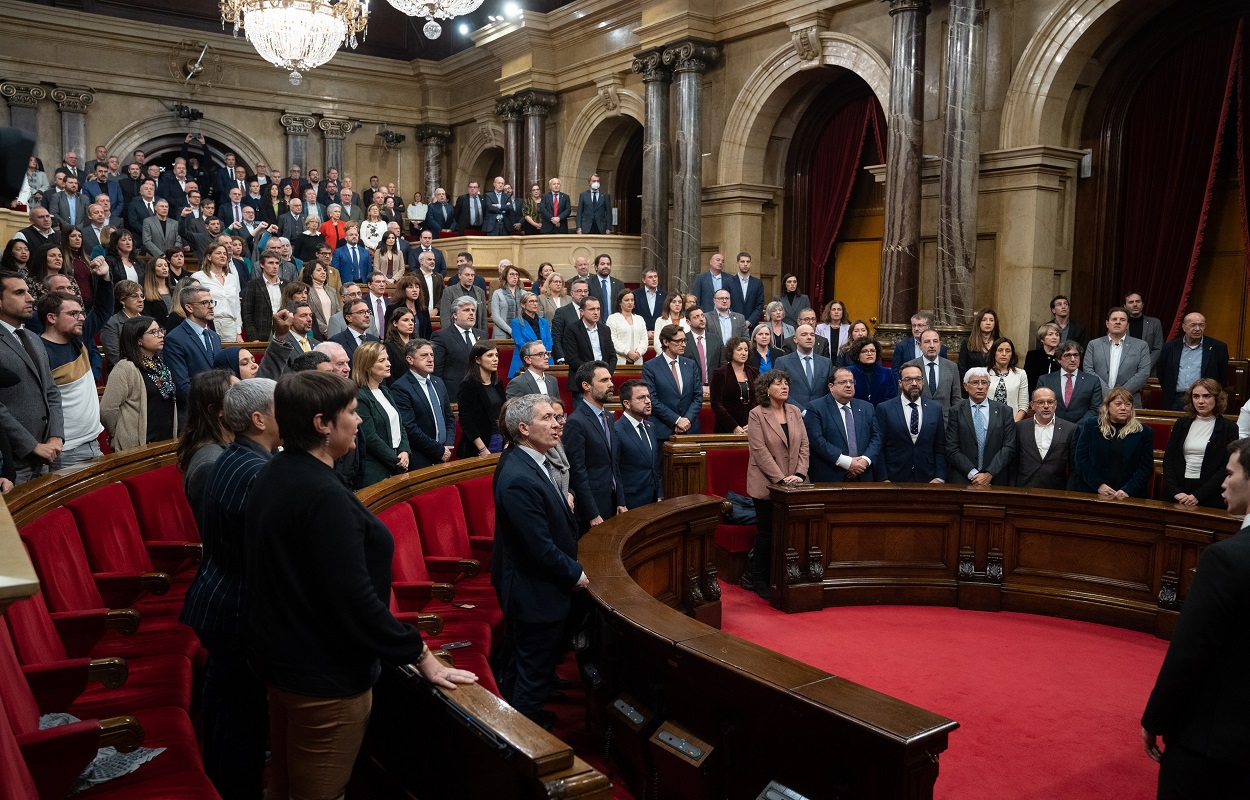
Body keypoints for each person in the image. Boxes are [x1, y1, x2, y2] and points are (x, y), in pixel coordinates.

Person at [247, 370, 476, 800]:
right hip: (324, 678)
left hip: (282, 662)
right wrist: (421, 656)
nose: (358, 421)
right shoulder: (323, 496)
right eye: (351, 413)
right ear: (322, 424)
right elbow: (353, 600)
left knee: (284, 788)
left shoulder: (276, 471)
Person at [178, 377, 278, 800]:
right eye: (280, 407)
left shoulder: (231, 456)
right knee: (242, 719)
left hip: (221, 600)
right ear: (257, 419)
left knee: (228, 705)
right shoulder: (224, 464)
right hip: (232, 605)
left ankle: (222, 779)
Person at [1141, 438, 1250, 800]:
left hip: (1216, 743)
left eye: (1231, 473)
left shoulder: (1226, 559)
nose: (1223, 482)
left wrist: (1155, 719)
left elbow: (1191, 651)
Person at [492, 394, 586, 726]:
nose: (557, 423)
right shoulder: (519, 476)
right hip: (533, 593)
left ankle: (524, 719)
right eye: (546, 418)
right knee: (531, 672)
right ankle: (528, 739)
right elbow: (538, 547)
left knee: (524, 666)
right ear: (524, 428)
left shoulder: (530, 461)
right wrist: (575, 574)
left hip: (534, 589)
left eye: (556, 417)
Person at [745, 369, 809, 599]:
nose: (784, 387)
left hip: (795, 482)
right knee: (767, 532)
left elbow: (804, 445)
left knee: (792, 533)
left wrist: (800, 474)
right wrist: (780, 480)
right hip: (767, 483)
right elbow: (759, 451)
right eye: (779, 384)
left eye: (786, 383)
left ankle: (784, 575)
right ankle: (760, 578)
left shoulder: (794, 411)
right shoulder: (757, 414)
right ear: (766, 389)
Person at [36, 282, 113, 469]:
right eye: (73, 314)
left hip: (93, 440)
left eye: (81, 313)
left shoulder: (78, 338)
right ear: (51, 317)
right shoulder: (38, 353)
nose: (81, 319)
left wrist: (103, 277)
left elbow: (103, 309)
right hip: (66, 450)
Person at [0, 270, 64, 484]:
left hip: (48, 455)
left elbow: (52, 391)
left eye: (28, 291)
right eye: (19, 293)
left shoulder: (33, 338)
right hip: (12, 461)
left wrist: (56, 434)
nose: (31, 298)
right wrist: (32, 445)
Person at [101, 315, 178, 450]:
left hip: (165, 439)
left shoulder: (160, 365)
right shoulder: (125, 368)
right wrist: (120, 434)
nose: (160, 335)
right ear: (138, 340)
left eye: (160, 330)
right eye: (153, 332)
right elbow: (107, 410)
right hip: (137, 445)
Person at [564, 361, 624, 533]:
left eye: (610, 380)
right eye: (604, 380)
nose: (611, 385)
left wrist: (620, 501)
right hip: (591, 510)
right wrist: (592, 513)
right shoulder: (576, 422)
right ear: (586, 386)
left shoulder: (608, 417)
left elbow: (614, 464)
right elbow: (577, 472)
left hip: (611, 502)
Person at [1162, 378, 1239, 508]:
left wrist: (1198, 495)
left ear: (1217, 398)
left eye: (1206, 396)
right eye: (1196, 396)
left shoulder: (1229, 428)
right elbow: (1168, 459)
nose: (1200, 401)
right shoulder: (1181, 424)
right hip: (1179, 494)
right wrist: (1176, 491)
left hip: (1210, 496)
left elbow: (1225, 466)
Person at [1069, 387, 1155, 499]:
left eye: (1128, 404)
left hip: (1130, 495)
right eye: (1118, 404)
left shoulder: (1144, 432)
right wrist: (1098, 485)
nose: (1123, 408)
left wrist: (1128, 490)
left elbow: (1146, 467)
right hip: (1093, 491)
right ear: (1107, 406)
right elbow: (1081, 459)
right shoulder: (1092, 426)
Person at [177, 369, 235, 522]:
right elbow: (217, 532)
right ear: (217, 410)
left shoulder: (233, 446)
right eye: (238, 395)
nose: (247, 400)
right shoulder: (209, 464)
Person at [805, 367, 880, 483]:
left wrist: (864, 461)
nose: (849, 385)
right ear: (831, 387)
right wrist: (846, 462)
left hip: (863, 475)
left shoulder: (867, 407)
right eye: (843, 382)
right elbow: (816, 440)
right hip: (831, 476)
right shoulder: (815, 407)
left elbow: (876, 437)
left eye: (851, 382)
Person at [873, 365, 947, 483]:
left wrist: (940, 477)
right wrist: (883, 478)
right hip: (894, 476)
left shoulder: (935, 408)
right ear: (900, 383)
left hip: (928, 477)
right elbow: (879, 447)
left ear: (923, 382)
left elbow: (940, 446)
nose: (914, 383)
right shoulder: (884, 408)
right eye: (908, 379)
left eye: (918, 379)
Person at [945, 367, 1018, 486]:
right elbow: (952, 448)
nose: (980, 387)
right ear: (965, 386)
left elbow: (1009, 447)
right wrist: (973, 474)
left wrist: (989, 473)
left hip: (996, 477)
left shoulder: (1004, 411)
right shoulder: (956, 411)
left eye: (984, 382)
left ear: (988, 385)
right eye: (975, 382)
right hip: (963, 477)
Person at [351, 341, 411, 486]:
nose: (388, 364)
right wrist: (396, 459)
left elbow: (400, 425)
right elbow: (370, 438)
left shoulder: (385, 391)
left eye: (388, 359)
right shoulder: (360, 396)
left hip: (397, 462)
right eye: (382, 360)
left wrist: (405, 451)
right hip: (377, 470)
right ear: (367, 365)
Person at [391, 339, 456, 470]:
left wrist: (447, 445)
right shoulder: (400, 387)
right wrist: (438, 450)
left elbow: (449, 418)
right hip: (421, 457)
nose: (430, 359)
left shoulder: (438, 382)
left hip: (445, 453)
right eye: (424, 355)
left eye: (432, 355)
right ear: (410, 359)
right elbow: (410, 428)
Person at [1156, 313, 1230, 412]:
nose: (1197, 329)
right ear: (1184, 327)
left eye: (1201, 325)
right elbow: (1162, 374)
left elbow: (1223, 376)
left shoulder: (1218, 348)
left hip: (1205, 399)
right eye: (1193, 325)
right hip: (1176, 398)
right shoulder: (1169, 347)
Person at [642, 324, 702, 444]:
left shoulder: (690, 365)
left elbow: (697, 397)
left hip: (690, 430)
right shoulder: (650, 367)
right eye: (679, 341)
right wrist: (676, 420)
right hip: (664, 431)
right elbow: (652, 399)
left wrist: (686, 420)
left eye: (685, 340)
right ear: (666, 342)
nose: (684, 344)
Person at [1083, 306, 1153, 408]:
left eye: (1122, 320)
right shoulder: (1094, 345)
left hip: (1129, 401)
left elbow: (1144, 373)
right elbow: (1088, 370)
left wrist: (1120, 394)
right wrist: (1108, 394)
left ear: (1128, 325)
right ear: (1107, 323)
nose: (1118, 322)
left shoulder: (1141, 346)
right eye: (1114, 319)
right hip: (1099, 401)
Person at [1013, 387, 1077, 490]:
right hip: (1024, 489)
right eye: (1040, 402)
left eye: (1050, 402)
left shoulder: (1070, 429)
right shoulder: (1020, 427)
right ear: (1032, 405)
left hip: (1056, 491)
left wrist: (1068, 493)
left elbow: (1074, 468)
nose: (1046, 406)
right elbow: (1013, 463)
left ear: (1055, 404)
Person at [614, 379, 662, 509]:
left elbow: (654, 466)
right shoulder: (616, 430)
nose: (648, 401)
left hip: (652, 499)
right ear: (627, 404)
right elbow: (615, 471)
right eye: (641, 398)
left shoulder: (650, 426)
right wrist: (620, 502)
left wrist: (659, 494)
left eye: (648, 396)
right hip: (630, 502)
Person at [456, 341, 507, 459]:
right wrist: (483, 449)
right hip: (480, 445)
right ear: (478, 360)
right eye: (490, 355)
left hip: (500, 440)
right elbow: (465, 421)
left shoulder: (498, 383)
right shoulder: (468, 385)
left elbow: (504, 414)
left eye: (496, 355)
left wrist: (507, 440)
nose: (495, 359)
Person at [430, 296, 484, 403]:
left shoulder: (482, 335)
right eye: (466, 310)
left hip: (481, 393)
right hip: (455, 394)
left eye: (473, 310)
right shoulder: (441, 336)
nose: (471, 313)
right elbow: (436, 371)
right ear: (455, 315)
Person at [1038, 340, 1102, 423]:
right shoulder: (1045, 380)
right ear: (1059, 359)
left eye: (1076, 355)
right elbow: (1040, 406)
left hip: (1081, 430)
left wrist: (1076, 428)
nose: (1073, 359)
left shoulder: (1092, 381)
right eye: (1068, 356)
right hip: (1052, 429)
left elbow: (1095, 409)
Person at [562, 295, 617, 391]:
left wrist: (605, 374)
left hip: (603, 384)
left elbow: (612, 357)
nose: (596, 313)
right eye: (592, 309)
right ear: (582, 312)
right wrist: (593, 374)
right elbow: (573, 359)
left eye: (598, 309)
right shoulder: (571, 329)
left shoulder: (605, 329)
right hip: (581, 383)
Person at [194, 242, 244, 342]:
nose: (222, 256)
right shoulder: (198, 277)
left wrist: (238, 332)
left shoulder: (232, 278)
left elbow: (236, 306)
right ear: (209, 256)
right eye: (218, 253)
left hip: (230, 324)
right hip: (209, 322)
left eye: (225, 254)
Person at [775, 324, 832, 411]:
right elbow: (779, 390)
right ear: (795, 339)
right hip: (793, 414)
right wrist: (802, 411)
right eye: (804, 334)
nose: (809, 337)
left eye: (812, 335)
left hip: (821, 414)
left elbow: (830, 390)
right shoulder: (783, 362)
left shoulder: (826, 363)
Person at [902, 328, 961, 411]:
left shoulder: (951, 366)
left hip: (945, 421)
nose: (932, 345)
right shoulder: (909, 367)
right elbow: (904, 397)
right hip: (918, 418)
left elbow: (956, 399)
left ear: (940, 344)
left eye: (935, 341)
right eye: (927, 342)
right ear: (920, 345)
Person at [710, 337, 757, 434]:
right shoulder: (720, 373)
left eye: (746, 350)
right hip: (726, 426)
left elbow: (758, 400)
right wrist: (733, 426)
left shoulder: (754, 372)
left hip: (752, 425)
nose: (743, 353)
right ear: (731, 352)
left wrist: (753, 422)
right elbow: (716, 404)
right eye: (739, 350)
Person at [101, 279, 145, 367]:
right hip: (126, 372)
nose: (140, 300)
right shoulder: (112, 324)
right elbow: (115, 357)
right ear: (122, 300)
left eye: (141, 296)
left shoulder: (148, 321)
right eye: (134, 296)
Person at [509, 292, 552, 379]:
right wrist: (535, 353)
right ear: (523, 305)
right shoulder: (517, 322)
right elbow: (519, 342)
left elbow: (549, 340)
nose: (535, 304)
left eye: (536, 301)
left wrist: (544, 352)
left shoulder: (543, 321)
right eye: (531, 301)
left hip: (544, 357)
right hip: (525, 359)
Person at [891, 312, 947, 379]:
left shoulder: (940, 348)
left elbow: (944, 371)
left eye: (920, 325)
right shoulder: (902, 346)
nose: (916, 328)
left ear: (928, 327)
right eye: (914, 325)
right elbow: (896, 371)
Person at [986, 337, 1029, 421]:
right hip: (987, 422)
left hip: (1012, 421)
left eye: (1008, 351)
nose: (1004, 354)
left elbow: (1023, 405)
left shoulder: (1020, 374)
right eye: (1000, 350)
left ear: (1012, 354)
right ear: (994, 353)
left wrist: (1014, 424)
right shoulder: (984, 373)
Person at [847, 336, 897, 406]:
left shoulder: (887, 373)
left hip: (881, 413)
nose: (869, 354)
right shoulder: (849, 372)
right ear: (857, 355)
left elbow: (892, 398)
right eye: (864, 351)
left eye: (872, 351)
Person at [551, 277, 588, 364]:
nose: (583, 294)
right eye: (579, 291)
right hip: (570, 359)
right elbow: (556, 337)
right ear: (572, 293)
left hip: (589, 359)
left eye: (585, 291)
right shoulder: (562, 312)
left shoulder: (592, 311)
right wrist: (560, 358)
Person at [606, 288, 648, 366]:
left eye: (632, 300)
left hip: (637, 361)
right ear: (620, 302)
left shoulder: (639, 319)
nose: (630, 302)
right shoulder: (613, 318)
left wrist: (638, 353)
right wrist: (627, 352)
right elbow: (612, 340)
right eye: (627, 300)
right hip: (619, 361)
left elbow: (644, 340)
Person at [1123, 291, 1164, 369]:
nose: (1135, 304)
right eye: (1131, 302)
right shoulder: (1119, 324)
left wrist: (1145, 366)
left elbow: (1158, 348)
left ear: (1142, 304)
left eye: (1138, 301)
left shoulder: (1155, 323)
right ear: (1125, 306)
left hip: (1148, 371)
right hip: (1124, 370)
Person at [302, 260, 341, 340]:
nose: (323, 272)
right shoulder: (306, 291)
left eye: (324, 270)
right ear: (310, 273)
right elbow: (309, 314)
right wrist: (325, 329)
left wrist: (334, 329)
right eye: (319, 270)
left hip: (334, 332)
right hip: (316, 333)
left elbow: (338, 311)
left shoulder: (331, 291)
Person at [957, 308, 999, 377]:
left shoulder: (999, 342)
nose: (988, 323)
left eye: (991, 320)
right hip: (973, 383)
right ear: (978, 322)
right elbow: (962, 368)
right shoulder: (967, 343)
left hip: (994, 383)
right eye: (984, 320)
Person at [1023, 322, 1062, 393]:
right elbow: (1028, 379)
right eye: (1050, 334)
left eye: (1057, 335)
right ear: (1042, 339)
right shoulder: (1032, 355)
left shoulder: (1062, 356)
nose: (1054, 337)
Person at [383, 306, 418, 386]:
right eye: (405, 320)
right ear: (395, 323)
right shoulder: (388, 346)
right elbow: (389, 375)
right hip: (399, 388)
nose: (410, 323)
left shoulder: (418, 343)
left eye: (412, 320)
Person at [728, 251, 765, 326]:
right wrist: (736, 320)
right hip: (732, 324)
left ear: (751, 264)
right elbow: (726, 304)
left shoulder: (758, 283)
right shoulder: (728, 282)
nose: (745, 264)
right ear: (737, 263)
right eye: (742, 261)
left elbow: (760, 305)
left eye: (748, 262)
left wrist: (750, 321)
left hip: (752, 326)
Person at [491, 261, 525, 335]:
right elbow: (495, 316)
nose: (515, 277)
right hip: (501, 333)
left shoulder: (524, 294)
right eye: (512, 274)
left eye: (517, 275)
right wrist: (511, 331)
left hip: (521, 332)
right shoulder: (497, 293)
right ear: (505, 276)